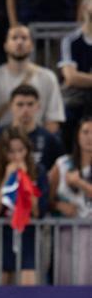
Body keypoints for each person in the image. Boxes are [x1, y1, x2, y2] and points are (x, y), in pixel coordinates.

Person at [0, 126, 50, 284]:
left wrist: (26, 180)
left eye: (21, 150)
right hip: (0, 235)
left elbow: (38, 211)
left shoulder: (39, 171)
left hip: (27, 235)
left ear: (28, 149)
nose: (17, 156)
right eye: (11, 151)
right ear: (2, 152)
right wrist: (6, 180)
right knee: (2, 286)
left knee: (28, 284)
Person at [0, 24, 65, 136]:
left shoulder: (48, 78)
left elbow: (53, 121)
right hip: (4, 143)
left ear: (32, 45)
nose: (19, 42)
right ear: (6, 45)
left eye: (24, 38)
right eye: (14, 38)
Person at [0, 83, 64, 177]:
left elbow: (57, 173)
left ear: (38, 106)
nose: (25, 110)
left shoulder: (50, 140)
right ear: (11, 106)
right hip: (2, 188)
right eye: (20, 104)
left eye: (30, 104)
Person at [49, 115, 92, 284]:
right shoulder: (62, 164)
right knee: (69, 281)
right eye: (85, 132)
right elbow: (46, 199)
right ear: (77, 135)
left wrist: (79, 183)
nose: (90, 137)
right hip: (68, 233)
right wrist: (59, 205)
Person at [59, 0, 92, 146]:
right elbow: (71, 77)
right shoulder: (71, 40)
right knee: (67, 111)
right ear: (85, 7)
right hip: (77, 98)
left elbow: (76, 77)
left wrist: (83, 78)